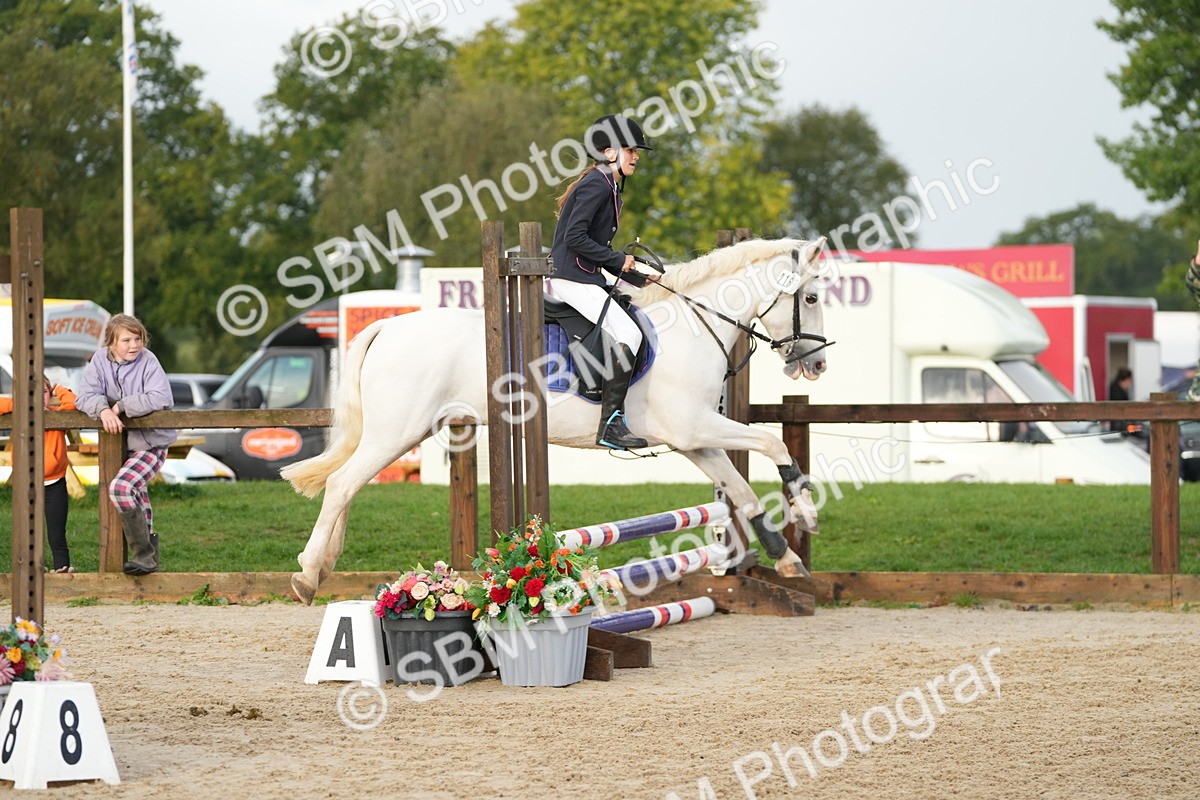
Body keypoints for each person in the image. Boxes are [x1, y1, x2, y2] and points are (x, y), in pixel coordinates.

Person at [548, 114, 657, 450]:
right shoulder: (597, 184)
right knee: (629, 333)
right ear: (609, 152)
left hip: (585, 277)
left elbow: (593, 248)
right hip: (571, 280)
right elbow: (575, 237)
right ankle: (611, 424)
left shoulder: (607, 186)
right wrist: (618, 260)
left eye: (636, 150)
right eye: (629, 149)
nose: (636, 155)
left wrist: (634, 272)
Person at [77, 314, 175, 575]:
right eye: (127, 340)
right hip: (123, 445)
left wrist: (121, 406)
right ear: (111, 343)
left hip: (152, 442)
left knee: (121, 488)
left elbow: (160, 397)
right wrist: (104, 411)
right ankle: (148, 559)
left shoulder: (148, 361)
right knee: (137, 493)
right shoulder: (99, 361)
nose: (135, 345)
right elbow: (84, 396)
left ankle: (144, 554)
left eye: (138, 338)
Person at [0, 376, 77, 572]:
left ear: (49, 395)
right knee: (27, 532)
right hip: (27, 486)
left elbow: (73, 404)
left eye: (43, 392)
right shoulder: (18, 416)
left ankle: (63, 567)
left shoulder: (58, 416)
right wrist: (19, 404)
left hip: (55, 486)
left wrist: (59, 388)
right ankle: (31, 567)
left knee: (56, 533)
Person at [1108, 366, 1133, 434]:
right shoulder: (1116, 391)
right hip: (1119, 425)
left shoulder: (1117, 388)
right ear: (1125, 379)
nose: (1130, 383)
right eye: (1129, 380)